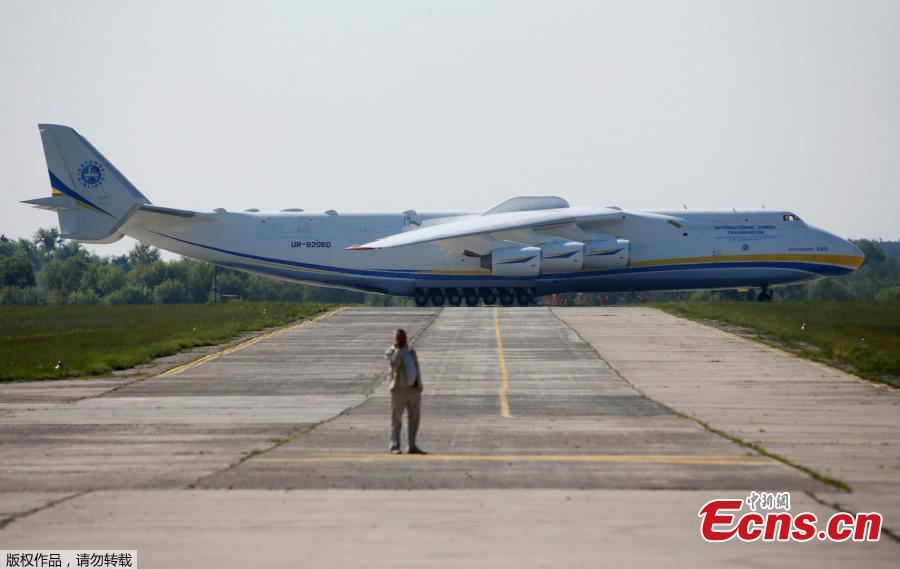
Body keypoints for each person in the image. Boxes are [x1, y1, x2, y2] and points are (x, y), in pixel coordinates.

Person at [384, 328, 426, 455]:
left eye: (403, 337)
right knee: (396, 420)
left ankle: (412, 446)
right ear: (395, 339)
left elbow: (416, 367)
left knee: (414, 419)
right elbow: (394, 365)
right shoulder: (390, 351)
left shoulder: (411, 350)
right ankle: (395, 446)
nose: (402, 339)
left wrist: (419, 386)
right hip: (398, 390)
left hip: (413, 389)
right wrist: (399, 350)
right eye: (399, 337)